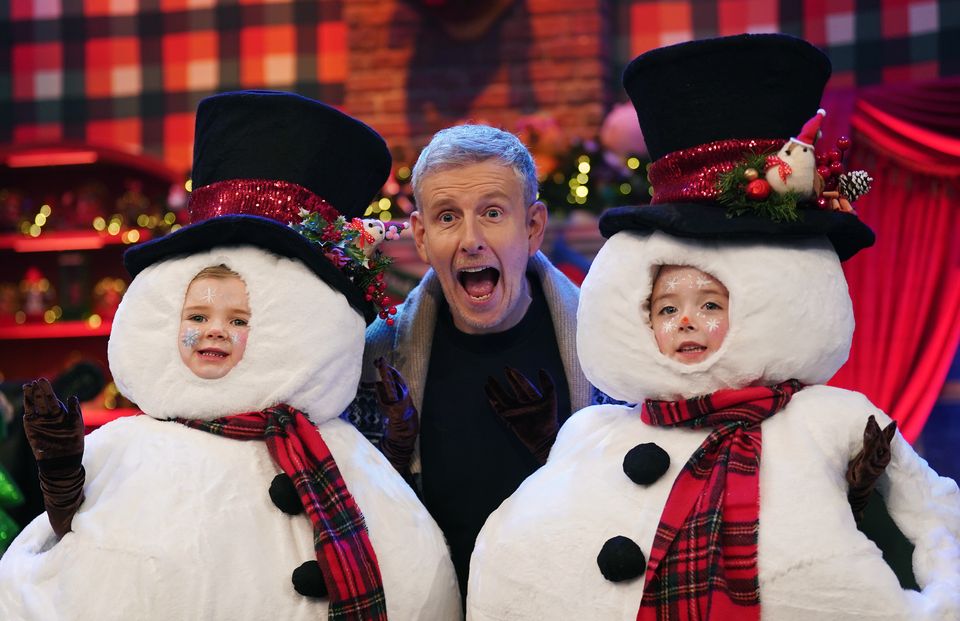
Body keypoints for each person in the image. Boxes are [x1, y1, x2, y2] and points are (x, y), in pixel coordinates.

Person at [466, 33, 959, 621]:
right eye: (667, 309)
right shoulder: (599, 427)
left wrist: (924, 577)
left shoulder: (827, 418)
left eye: (711, 304)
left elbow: (933, 515)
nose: (687, 323)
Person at [0, 90, 462, 621]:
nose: (213, 332)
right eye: (196, 317)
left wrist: (398, 442)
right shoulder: (131, 442)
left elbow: (412, 572)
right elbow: (66, 541)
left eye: (240, 321)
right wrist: (61, 473)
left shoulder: (334, 451)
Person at [345, 123, 593, 605]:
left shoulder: (606, 350)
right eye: (447, 217)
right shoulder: (371, 360)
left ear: (533, 227)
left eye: (493, 213)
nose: (471, 239)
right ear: (420, 236)